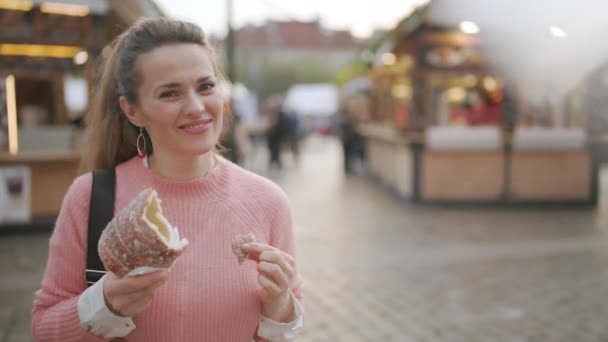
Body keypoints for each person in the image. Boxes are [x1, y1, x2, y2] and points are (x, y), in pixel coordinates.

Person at [32, 18, 303, 342]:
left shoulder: (268, 200)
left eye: (206, 86)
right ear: (132, 110)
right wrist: (105, 303)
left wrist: (280, 307)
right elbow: (44, 328)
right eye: (170, 93)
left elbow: (281, 331)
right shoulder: (92, 196)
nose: (196, 107)